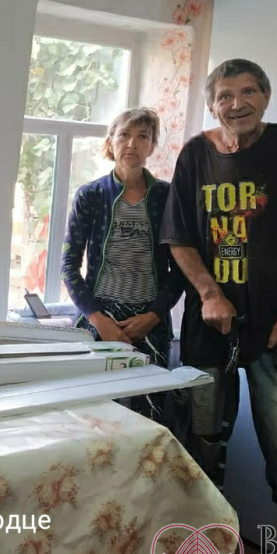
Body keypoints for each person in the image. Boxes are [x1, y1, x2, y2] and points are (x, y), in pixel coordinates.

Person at [159, 59, 277, 554]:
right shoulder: (196, 155)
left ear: (266, 96)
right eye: (225, 95)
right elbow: (179, 238)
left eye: (249, 91)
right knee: (204, 443)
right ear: (212, 105)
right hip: (210, 332)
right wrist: (210, 292)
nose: (238, 104)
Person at [62, 107, 185, 425]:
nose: (132, 143)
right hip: (99, 318)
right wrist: (99, 320)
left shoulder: (167, 196)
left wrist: (153, 315)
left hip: (151, 320)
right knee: (92, 416)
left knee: (149, 418)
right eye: (124, 135)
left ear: (152, 146)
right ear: (111, 142)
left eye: (143, 136)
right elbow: (69, 266)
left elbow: (180, 270)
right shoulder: (90, 196)